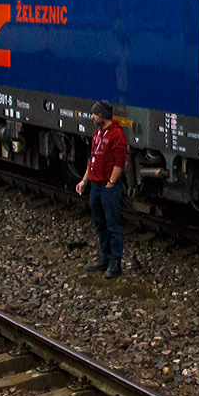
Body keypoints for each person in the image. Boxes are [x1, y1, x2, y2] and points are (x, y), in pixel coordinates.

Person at [75, 100, 127, 278]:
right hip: (96, 185)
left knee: (113, 224)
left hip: (107, 186)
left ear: (102, 116)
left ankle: (115, 262)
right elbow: (92, 160)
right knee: (100, 223)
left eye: (94, 114)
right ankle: (105, 257)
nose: (92, 117)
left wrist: (111, 182)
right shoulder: (97, 134)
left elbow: (119, 161)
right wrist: (84, 181)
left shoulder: (117, 135)